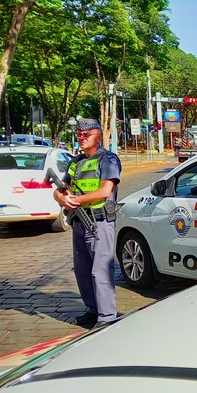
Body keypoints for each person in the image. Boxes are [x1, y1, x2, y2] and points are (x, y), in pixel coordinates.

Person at [53, 118, 122, 327]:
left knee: (100, 270)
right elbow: (59, 189)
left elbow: (105, 190)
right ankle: (93, 310)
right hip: (79, 222)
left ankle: (107, 317)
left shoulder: (108, 160)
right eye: (79, 135)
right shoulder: (75, 162)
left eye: (87, 135)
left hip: (98, 222)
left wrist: (76, 200)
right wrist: (62, 198)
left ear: (98, 137)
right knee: (82, 270)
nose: (81, 138)